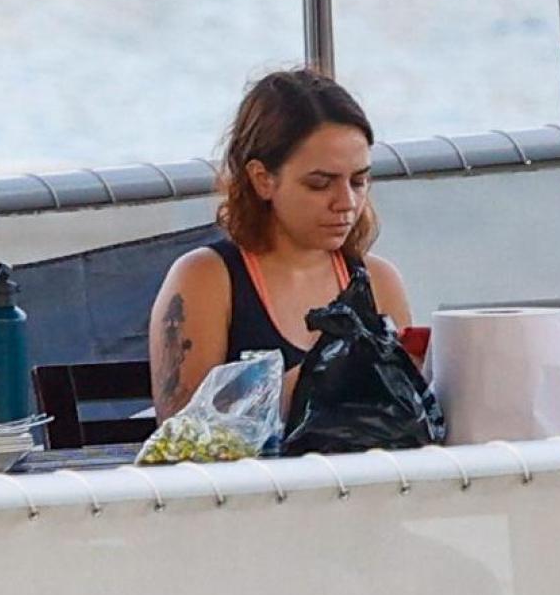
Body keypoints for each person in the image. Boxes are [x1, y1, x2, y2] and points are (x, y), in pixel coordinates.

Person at [148, 69, 413, 420]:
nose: (346, 201)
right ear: (262, 180)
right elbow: (181, 427)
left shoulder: (379, 279)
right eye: (320, 184)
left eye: (359, 181)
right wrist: (322, 378)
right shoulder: (205, 278)